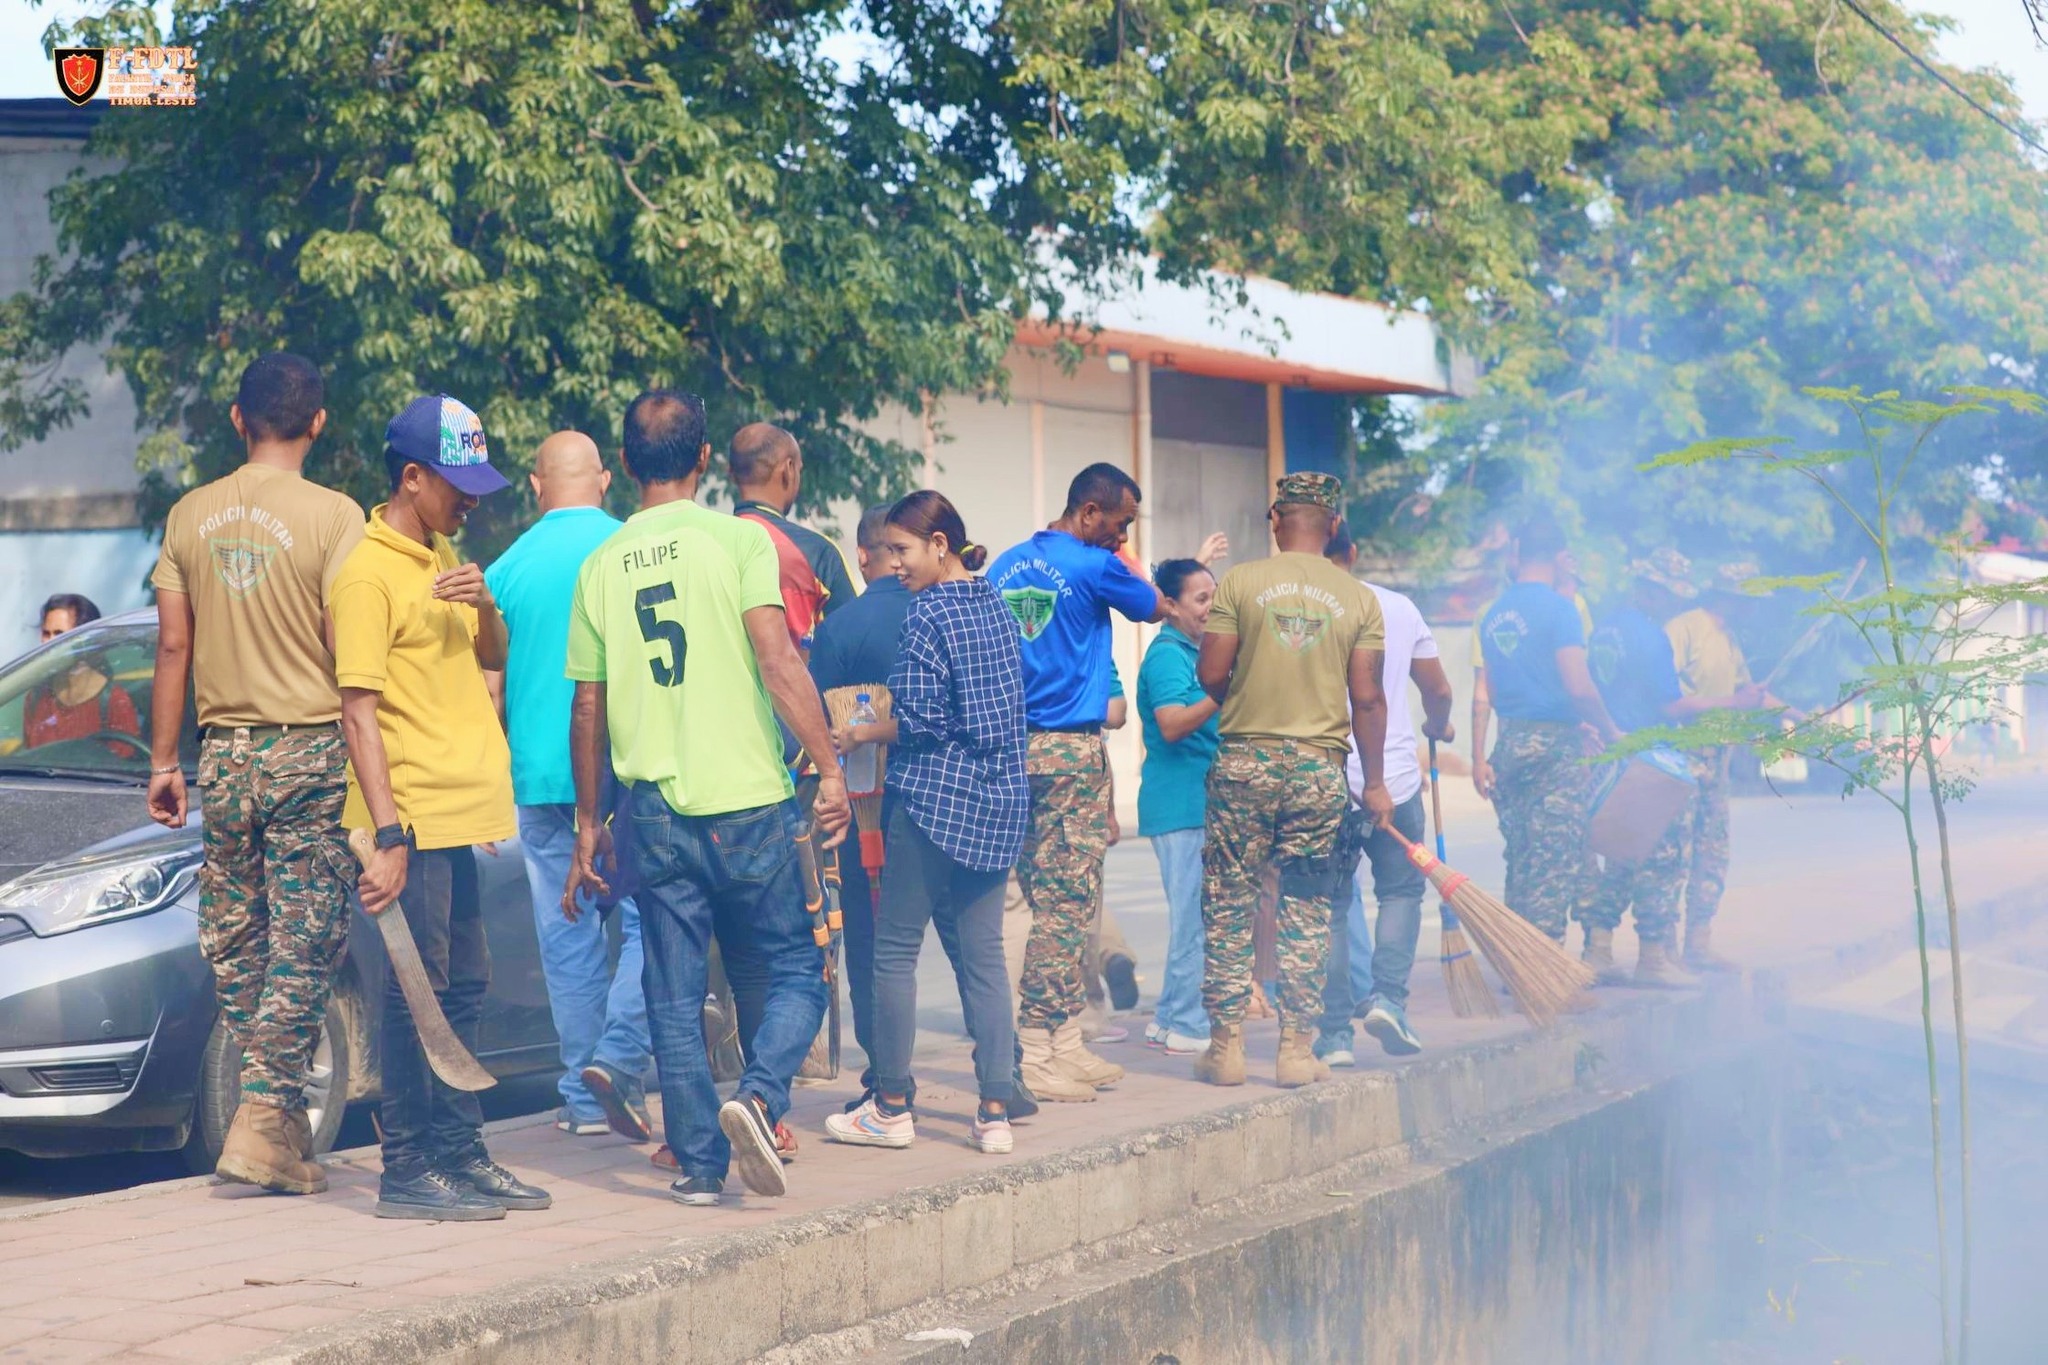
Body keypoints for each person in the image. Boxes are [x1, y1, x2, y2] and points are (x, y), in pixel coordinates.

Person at [563, 389, 849, 1208]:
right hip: (748, 797)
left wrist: (588, 821)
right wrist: (828, 766)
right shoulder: (738, 540)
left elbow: (588, 704)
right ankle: (758, 1098)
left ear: (625, 463)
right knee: (798, 965)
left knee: (672, 990)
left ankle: (696, 1164)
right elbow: (777, 660)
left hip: (651, 807)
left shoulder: (601, 564)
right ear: (702, 461)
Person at [144, 352, 364, 1196]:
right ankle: (267, 1115)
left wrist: (166, 761)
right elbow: (347, 650)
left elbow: (174, 645)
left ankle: (274, 1124)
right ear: (318, 423)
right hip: (308, 747)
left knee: (239, 938)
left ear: (238, 419)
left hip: (224, 754)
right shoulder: (335, 517)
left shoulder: (189, 515)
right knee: (304, 941)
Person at [335, 392, 549, 1222]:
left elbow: (491, 654)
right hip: (412, 814)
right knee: (414, 993)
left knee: (463, 985)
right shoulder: (367, 573)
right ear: (412, 478)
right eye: (459, 485)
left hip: (460, 812)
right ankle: (406, 1166)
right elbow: (358, 712)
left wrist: (484, 600)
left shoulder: (443, 553)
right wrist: (388, 833)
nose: (472, 501)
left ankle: (460, 1152)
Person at [823, 492, 1027, 1153]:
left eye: (903, 550)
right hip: (999, 801)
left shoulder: (928, 612)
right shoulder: (995, 603)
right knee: (985, 957)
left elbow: (923, 721)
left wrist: (862, 732)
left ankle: (890, 1105)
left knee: (893, 951)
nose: (895, 564)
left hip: (933, 802)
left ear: (940, 545)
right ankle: (994, 1111)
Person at [1193, 472, 1390, 1090]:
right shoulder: (1359, 599)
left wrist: (1250, 690)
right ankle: (1296, 1052)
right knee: (1307, 907)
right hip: (1317, 768)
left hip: (1244, 762)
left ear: (1275, 520)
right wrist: (1375, 783)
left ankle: (1226, 1050)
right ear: (1334, 525)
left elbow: (1210, 674)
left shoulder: (1240, 582)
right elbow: (1368, 697)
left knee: (1229, 901)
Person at [483, 431, 653, 1141]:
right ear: (605, 479)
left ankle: (585, 1103)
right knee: (652, 920)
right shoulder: (634, 548)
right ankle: (620, 1055)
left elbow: (489, 691)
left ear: (534, 485)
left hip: (541, 777)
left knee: (568, 935)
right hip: (632, 770)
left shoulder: (505, 568)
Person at [987, 463, 1164, 1102]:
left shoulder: (1006, 564)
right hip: (1068, 752)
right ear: (1088, 512)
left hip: (1016, 751)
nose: (1123, 537)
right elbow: (1152, 604)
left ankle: (1064, 1041)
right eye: (1120, 523)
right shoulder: (1094, 564)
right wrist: (1122, 559)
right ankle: (1037, 1050)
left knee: (1042, 903)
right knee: (1067, 909)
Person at [1314, 525, 1455, 1063]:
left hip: (1324, 779)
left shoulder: (1297, 608)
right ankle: (1389, 1001)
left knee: (1330, 905)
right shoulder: (1398, 607)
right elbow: (1437, 689)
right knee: (1399, 892)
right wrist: (1438, 724)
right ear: (1353, 552)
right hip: (1392, 780)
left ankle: (1333, 1036)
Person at [1471, 516, 1621, 944]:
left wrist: (1482, 752)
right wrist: (1610, 730)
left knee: (1521, 862)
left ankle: (1518, 964)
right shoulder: (1561, 610)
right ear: (1559, 556)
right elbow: (1579, 687)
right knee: (1552, 864)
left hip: (1510, 745)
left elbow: (1488, 693)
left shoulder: (1494, 613)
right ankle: (1546, 969)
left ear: (1518, 553)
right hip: (1554, 751)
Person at [1583, 548, 1715, 988]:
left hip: (1612, 754)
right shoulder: (1651, 637)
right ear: (1651, 590)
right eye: (1668, 594)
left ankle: (1598, 949)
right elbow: (1669, 705)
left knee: (1619, 856)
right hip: (1650, 758)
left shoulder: (1605, 629)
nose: (1673, 603)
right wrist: (1730, 702)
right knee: (1660, 860)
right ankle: (1653, 959)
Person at [1664, 559, 1784, 972]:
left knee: (1712, 850)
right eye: (1750, 600)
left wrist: (1803, 718)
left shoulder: (1728, 638)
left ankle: (1698, 942)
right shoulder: (1683, 629)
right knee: (1675, 852)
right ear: (1730, 597)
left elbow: (1749, 693)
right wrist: (1734, 702)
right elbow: (1668, 699)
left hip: (1718, 759)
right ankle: (1663, 947)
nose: (1754, 608)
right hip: (1682, 756)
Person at [1136, 558, 1221, 1056]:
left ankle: (1168, 1017)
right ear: (1170, 605)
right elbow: (1171, 723)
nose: (1211, 607)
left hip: (1193, 801)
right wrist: (1221, 693)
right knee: (1195, 919)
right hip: (1180, 803)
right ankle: (1189, 1022)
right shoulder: (1169, 655)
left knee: (1193, 915)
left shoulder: (1195, 650)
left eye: (1214, 596)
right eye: (1201, 599)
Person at [729, 422, 859, 654]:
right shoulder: (818, 552)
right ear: (788, 470)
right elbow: (851, 641)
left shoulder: (705, 545)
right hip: (798, 676)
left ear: (731, 474)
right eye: (799, 469)